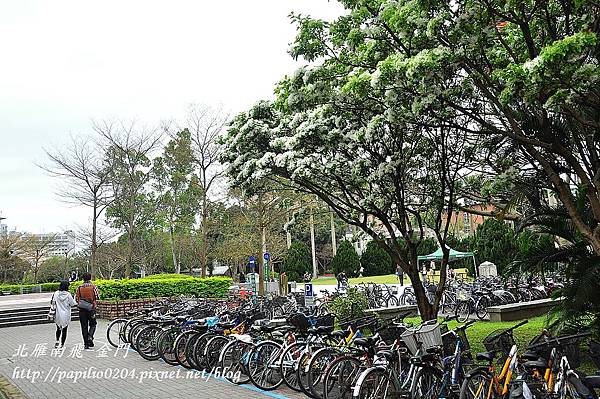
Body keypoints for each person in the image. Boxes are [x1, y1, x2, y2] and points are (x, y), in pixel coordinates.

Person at [75, 273, 99, 349]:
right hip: (91, 309)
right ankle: (90, 336)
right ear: (90, 278)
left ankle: (86, 344)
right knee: (93, 324)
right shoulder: (93, 286)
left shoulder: (79, 287)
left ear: (83, 278)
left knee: (84, 326)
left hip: (82, 310)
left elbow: (76, 298)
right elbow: (97, 296)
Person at [51, 280, 77, 348]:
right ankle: (62, 344)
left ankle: (57, 341)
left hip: (57, 314)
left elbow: (53, 302)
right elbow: (73, 303)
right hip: (66, 314)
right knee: (64, 330)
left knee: (58, 328)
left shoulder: (56, 293)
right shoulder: (68, 294)